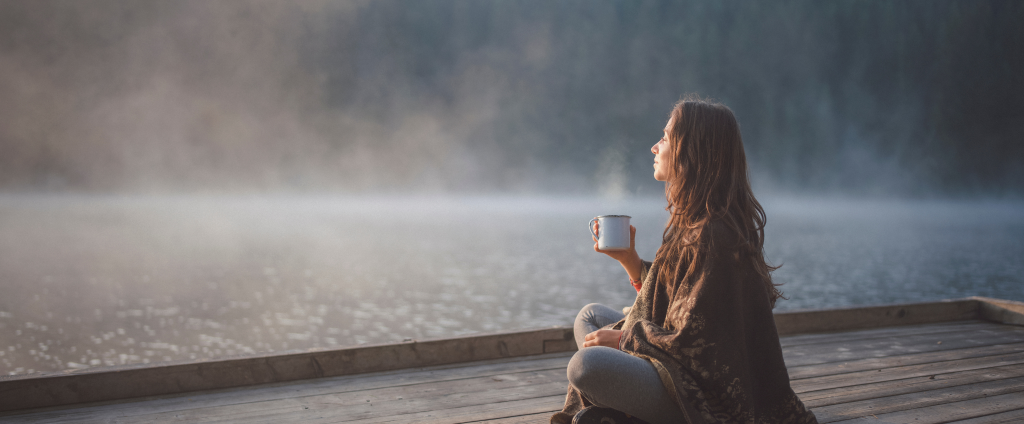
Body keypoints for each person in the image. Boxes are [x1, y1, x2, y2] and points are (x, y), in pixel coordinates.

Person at [551, 97, 818, 424]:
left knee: (585, 366)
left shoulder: (714, 235)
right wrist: (629, 259)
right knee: (589, 317)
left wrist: (625, 339)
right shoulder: (695, 223)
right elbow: (673, 303)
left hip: (703, 393)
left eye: (664, 138)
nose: (654, 147)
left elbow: (695, 344)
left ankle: (630, 412)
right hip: (671, 363)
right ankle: (621, 409)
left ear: (690, 152)